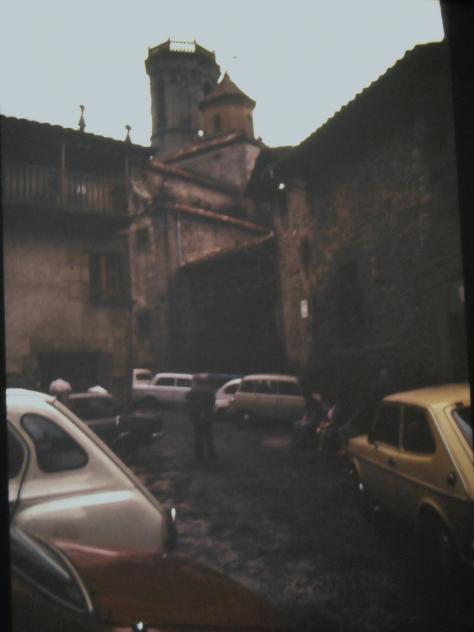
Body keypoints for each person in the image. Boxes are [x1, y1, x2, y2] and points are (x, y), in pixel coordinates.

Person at [186, 374, 216, 465]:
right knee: (208, 435)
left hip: (197, 417)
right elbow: (213, 403)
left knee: (198, 437)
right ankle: (212, 454)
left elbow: (187, 398)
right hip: (208, 416)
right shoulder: (210, 390)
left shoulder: (194, 391)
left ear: (196, 382)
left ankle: (200, 456)